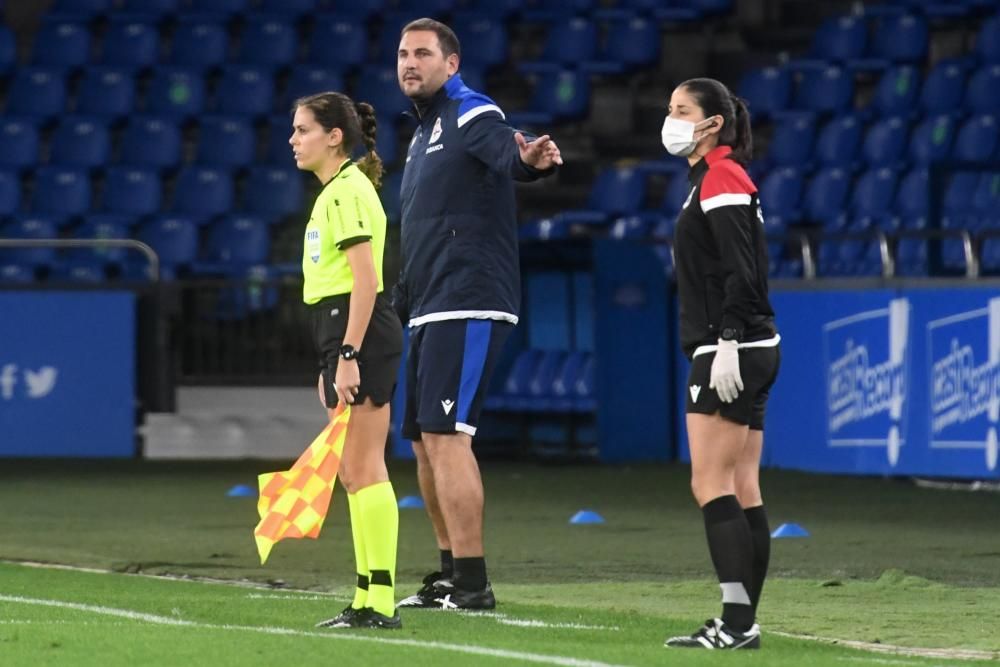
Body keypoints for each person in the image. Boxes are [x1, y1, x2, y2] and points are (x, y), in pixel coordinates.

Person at [391, 18, 563, 610]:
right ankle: (447, 574)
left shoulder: (471, 111)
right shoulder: (421, 135)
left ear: (452, 64)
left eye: (423, 53)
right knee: (422, 441)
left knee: (447, 435)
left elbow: (506, 152)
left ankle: (471, 583)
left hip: (467, 299)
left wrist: (531, 159)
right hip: (428, 306)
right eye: (403, 54)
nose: (410, 63)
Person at [660, 78, 781, 650]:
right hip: (748, 345)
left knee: (710, 482)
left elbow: (744, 268)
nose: (672, 119)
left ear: (713, 124)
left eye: (682, 111)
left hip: (729, 348)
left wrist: (729, 336)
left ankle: (736, 624)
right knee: (742, 483)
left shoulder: (722, 176)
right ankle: (742, 623)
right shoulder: (711, 177)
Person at [289, 92, 404, 630]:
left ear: (334, 136)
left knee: (363, 468)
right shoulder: (337, 191)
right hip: (341, 333)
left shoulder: (346, 191)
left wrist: (349, 354)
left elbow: (366, 280)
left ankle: (378, 601)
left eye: (303, 130)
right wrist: (329, 358)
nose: (294, 140)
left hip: (358, 333)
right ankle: (367, 598)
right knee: (355, 473)